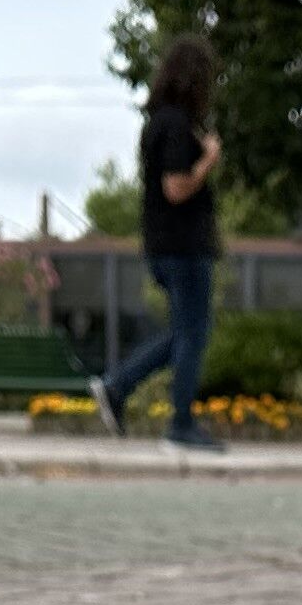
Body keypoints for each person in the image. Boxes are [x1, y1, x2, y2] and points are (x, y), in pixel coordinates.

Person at [99, 34, 224, 452]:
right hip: (183, 246)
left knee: (186, 333)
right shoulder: (175, 126)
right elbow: (176, 188)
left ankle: (118, 386)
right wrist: (207, 161)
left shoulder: (157, 122)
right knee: (192, 335)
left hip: (164, 244)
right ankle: (180, 425)